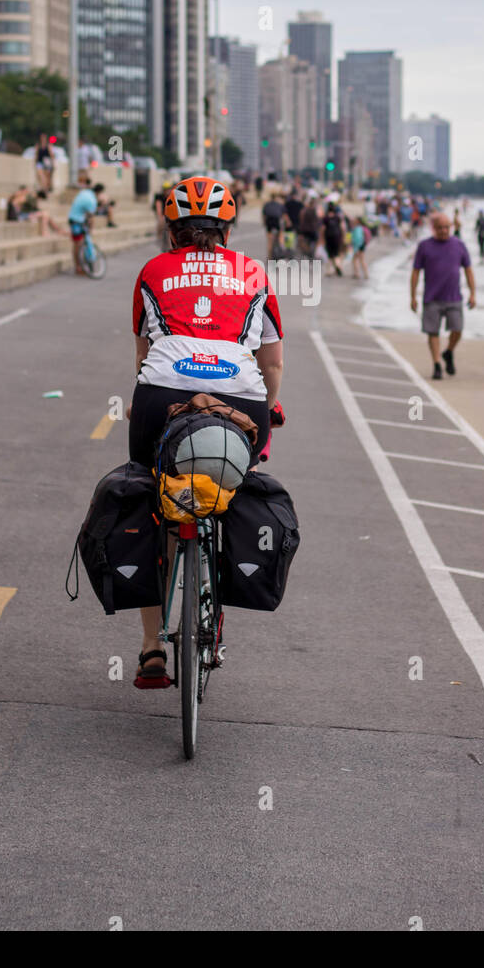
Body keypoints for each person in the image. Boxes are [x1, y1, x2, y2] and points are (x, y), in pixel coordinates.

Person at [127, 176, 284, 687]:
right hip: (241, 398)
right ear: (227, 229)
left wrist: (143, 404)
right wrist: (268, 409)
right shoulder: (254, 273)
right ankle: (218, 601)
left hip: (161, 397)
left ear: (171, 230)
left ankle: (152, 648)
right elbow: (272, 361)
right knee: (230, 490)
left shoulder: (152, 270)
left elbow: (144, 356)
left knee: (152, 500)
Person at [411, 212, 476, 379]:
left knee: (458, 329)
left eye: (447, 227)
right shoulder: (424, 246)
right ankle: (437, 364)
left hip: (454, 297)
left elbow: (468, 270)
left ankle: (448, 351)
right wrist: (413, 296)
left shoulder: (459, 245)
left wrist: (473, 293)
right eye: (440, 228)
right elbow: (416, 272)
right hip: (431, 298)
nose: (444, 231)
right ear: (434, 228)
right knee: (433, 332)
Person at [68, 182, 105, 275]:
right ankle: (78, 268)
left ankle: (79, 266)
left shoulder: (85, 192)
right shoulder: (92, 201)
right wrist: (91, 230)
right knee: (78, 243)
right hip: (77, 221)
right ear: (99, 193)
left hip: (74, 218)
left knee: (78, 243)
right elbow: (91, 218)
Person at [322, 201, 347, 275]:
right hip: (337, 237)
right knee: (336, 254)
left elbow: (323, 229)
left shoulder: (325, 218)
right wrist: (343, 237)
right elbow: (343, 228)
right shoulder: (338, 217)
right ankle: (338, 266)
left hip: (328, 237)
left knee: (329, 255)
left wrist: (322, 238)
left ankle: (329, 271)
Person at [262, 191, 286, 260]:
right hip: (276, 221)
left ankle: (269, 256)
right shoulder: (279, 204)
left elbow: (264, 215)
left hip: (269, 221)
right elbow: (283, 215)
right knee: (280, 235)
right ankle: (282, 248)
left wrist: (264, 222)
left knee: (269, 240)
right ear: (276, 197)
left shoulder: (266, 204)